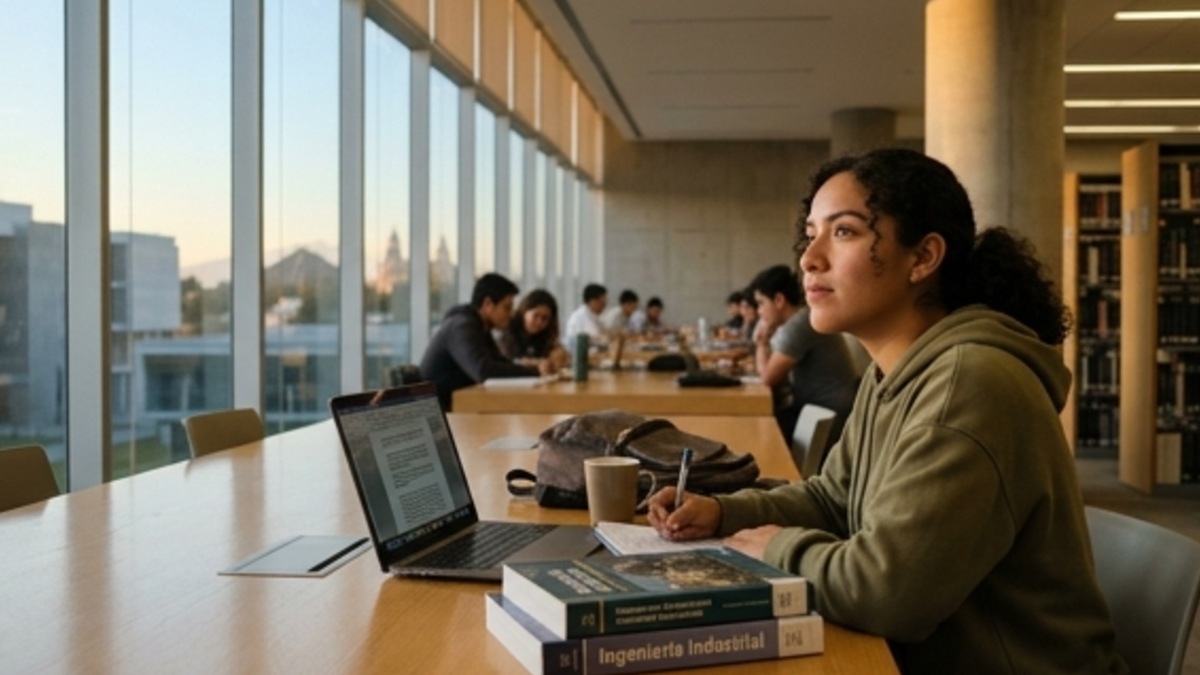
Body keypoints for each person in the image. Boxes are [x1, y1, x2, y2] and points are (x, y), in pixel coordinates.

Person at [647, 148, 1127, 675]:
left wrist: (777, 546)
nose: (809, 258)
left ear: (922, 258)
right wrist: (724, 513)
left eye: (845, 232)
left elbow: (886, 593)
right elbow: (835, 499)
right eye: (811, 233)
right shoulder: (895, 372)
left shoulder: (968, 384)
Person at [747, 264, 859, 441]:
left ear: (778, 300)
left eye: (761, 303)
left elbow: (767, 379)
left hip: (827, 415)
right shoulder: (802, 319)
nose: (759, 312)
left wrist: (761, 343)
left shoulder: (799, 326)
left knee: (755, 431)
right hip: (820, 409)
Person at [419, 273, 552, 410]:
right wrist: (534, 371)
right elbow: (483, 370)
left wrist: (531, 367)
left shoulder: (481, 327)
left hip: (460, 408)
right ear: (488, 304)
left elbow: (499, 362)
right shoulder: (461, 325)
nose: (511, 314)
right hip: (440, 414)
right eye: (507, 307)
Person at [498, 289, 569, 371]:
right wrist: (535, 363)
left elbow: (556, 357)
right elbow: (509, 361)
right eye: (535, 316)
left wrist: (558, 357)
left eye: (544, 318)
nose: (539, 322)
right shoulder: (508, 331)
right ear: (524, 311)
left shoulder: (545, 337)